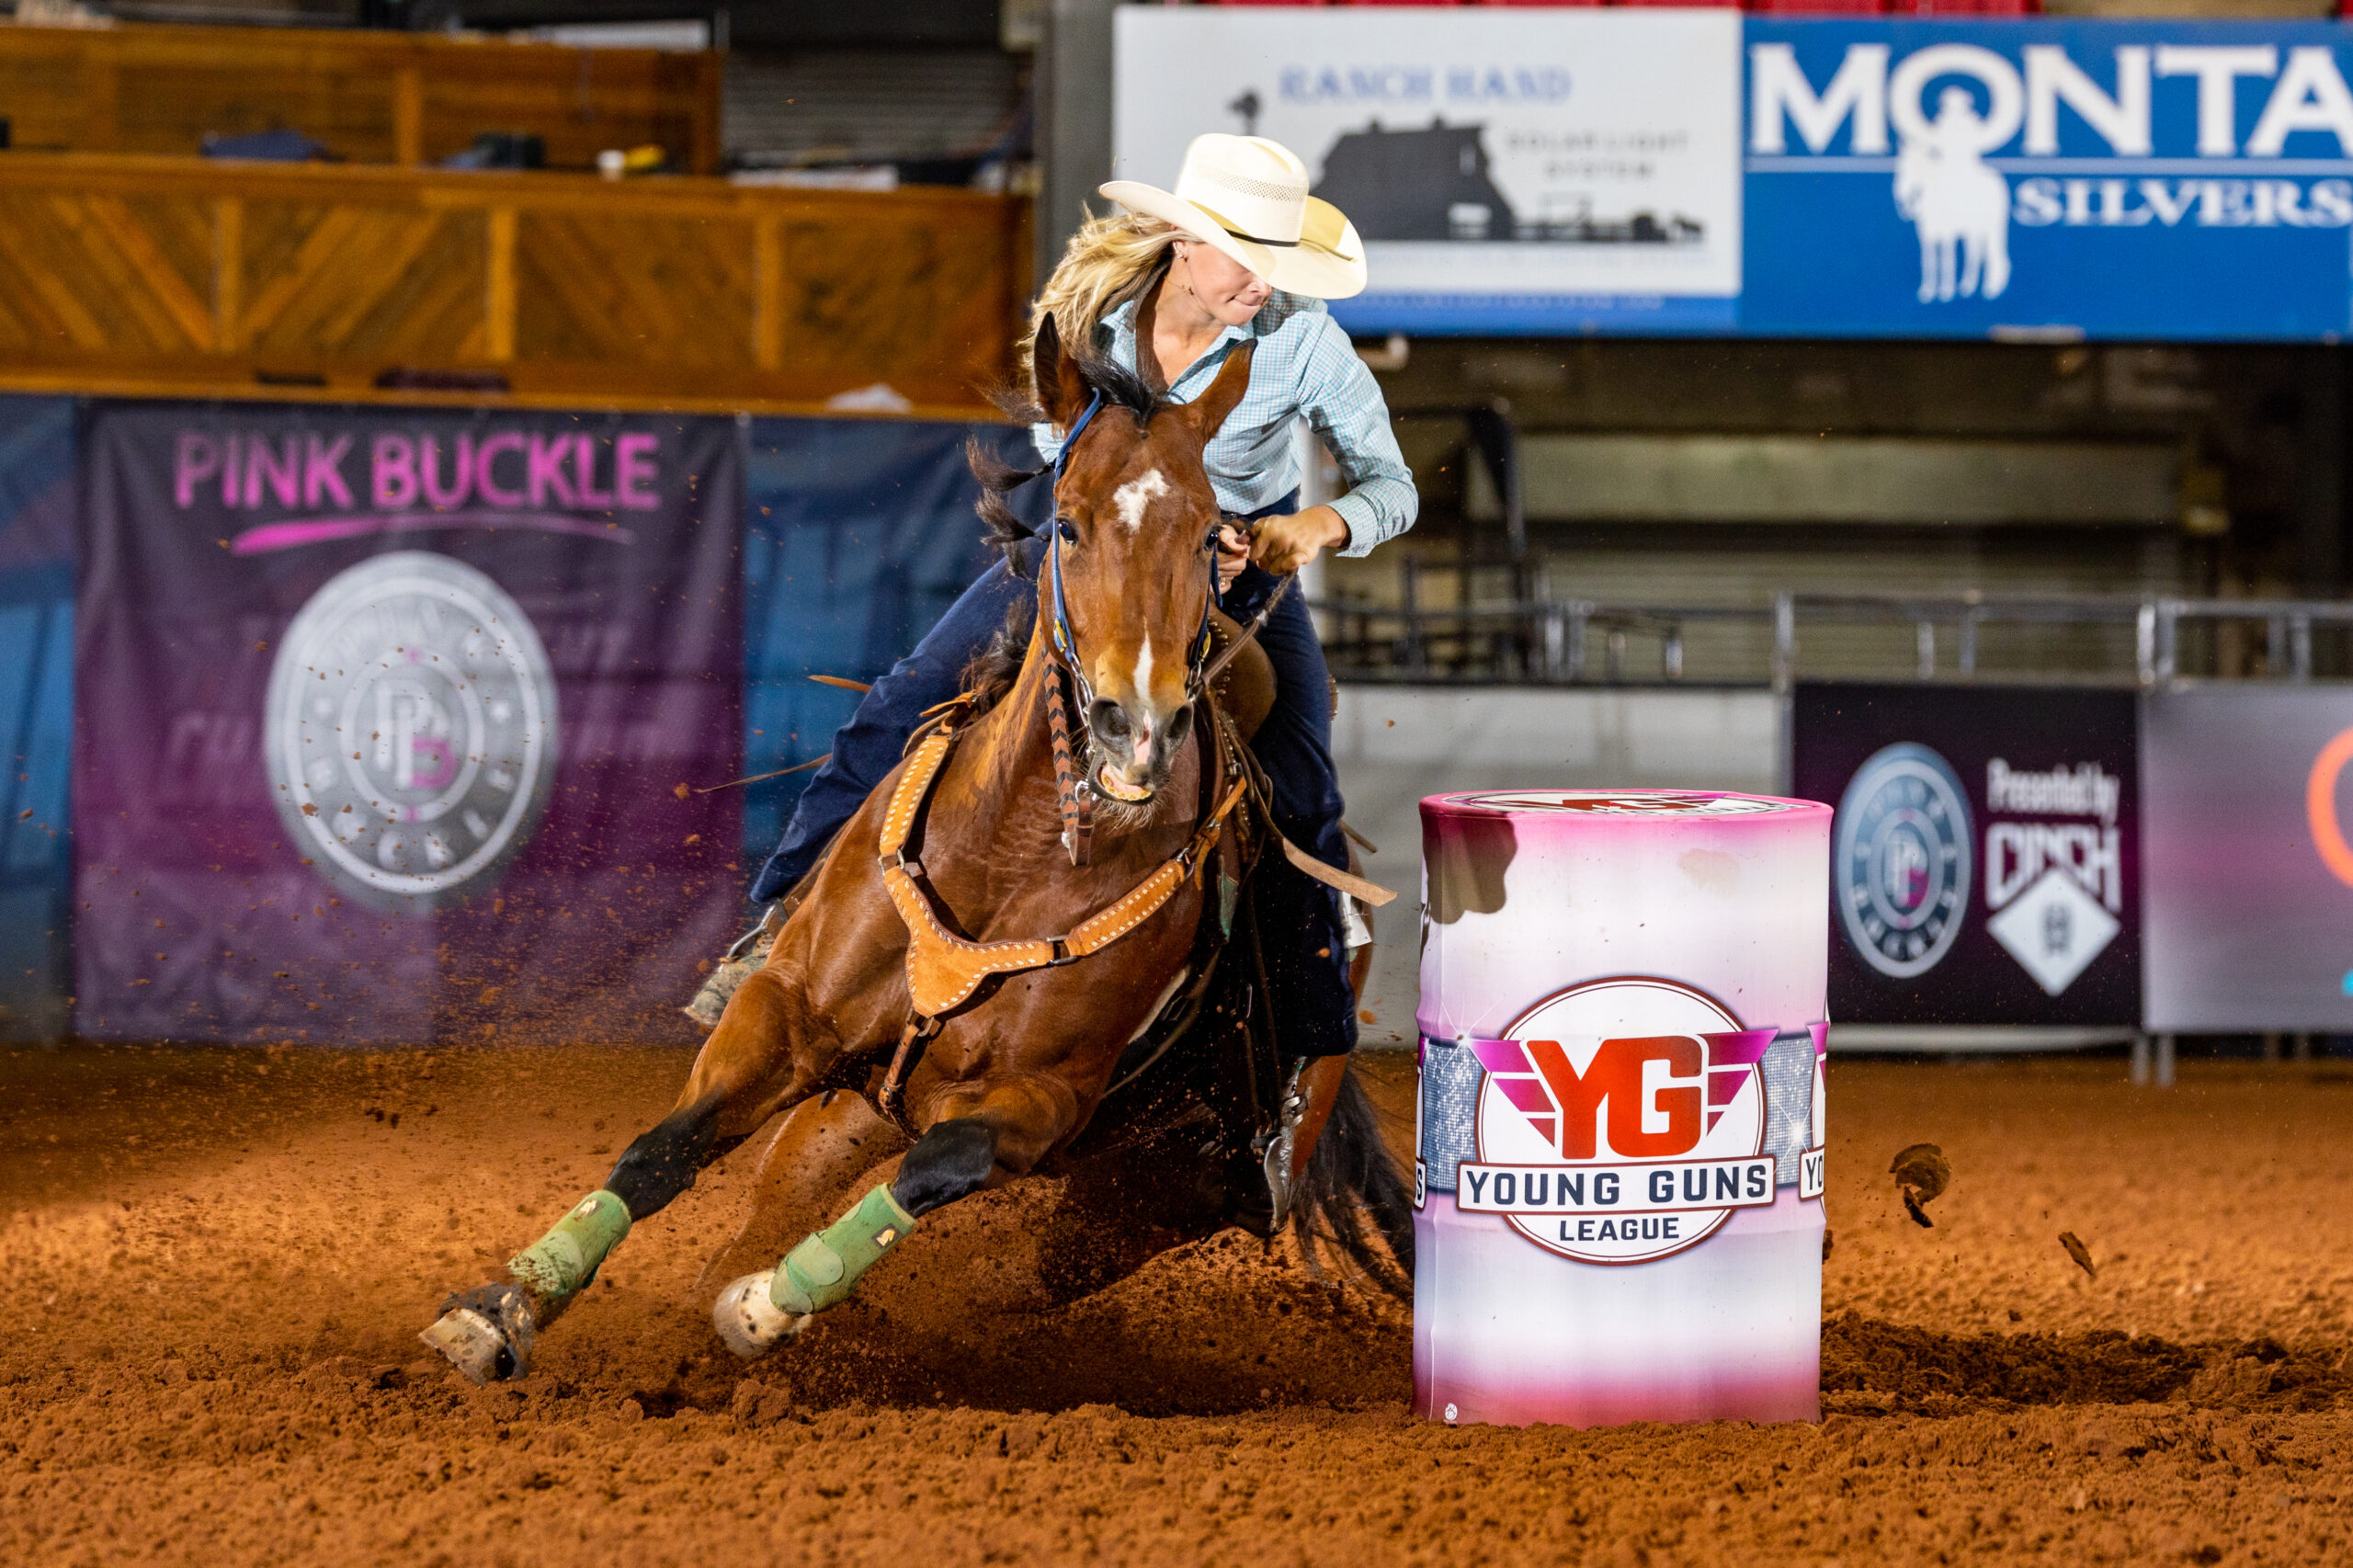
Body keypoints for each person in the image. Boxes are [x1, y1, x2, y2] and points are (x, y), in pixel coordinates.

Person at [692, 132, 1417, 1082]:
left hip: (1239, 562)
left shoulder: (1305, 342)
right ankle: (776, 923)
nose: (1263, 281)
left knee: (1303, 780)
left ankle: (1304, 1041)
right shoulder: (1093, 319)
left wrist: (1310, 525)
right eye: (1246, 256)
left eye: (1277, 260)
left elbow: (1392, 486)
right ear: (1183, 242)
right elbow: (1059, 444)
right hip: (1096, 552)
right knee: (903, 699)